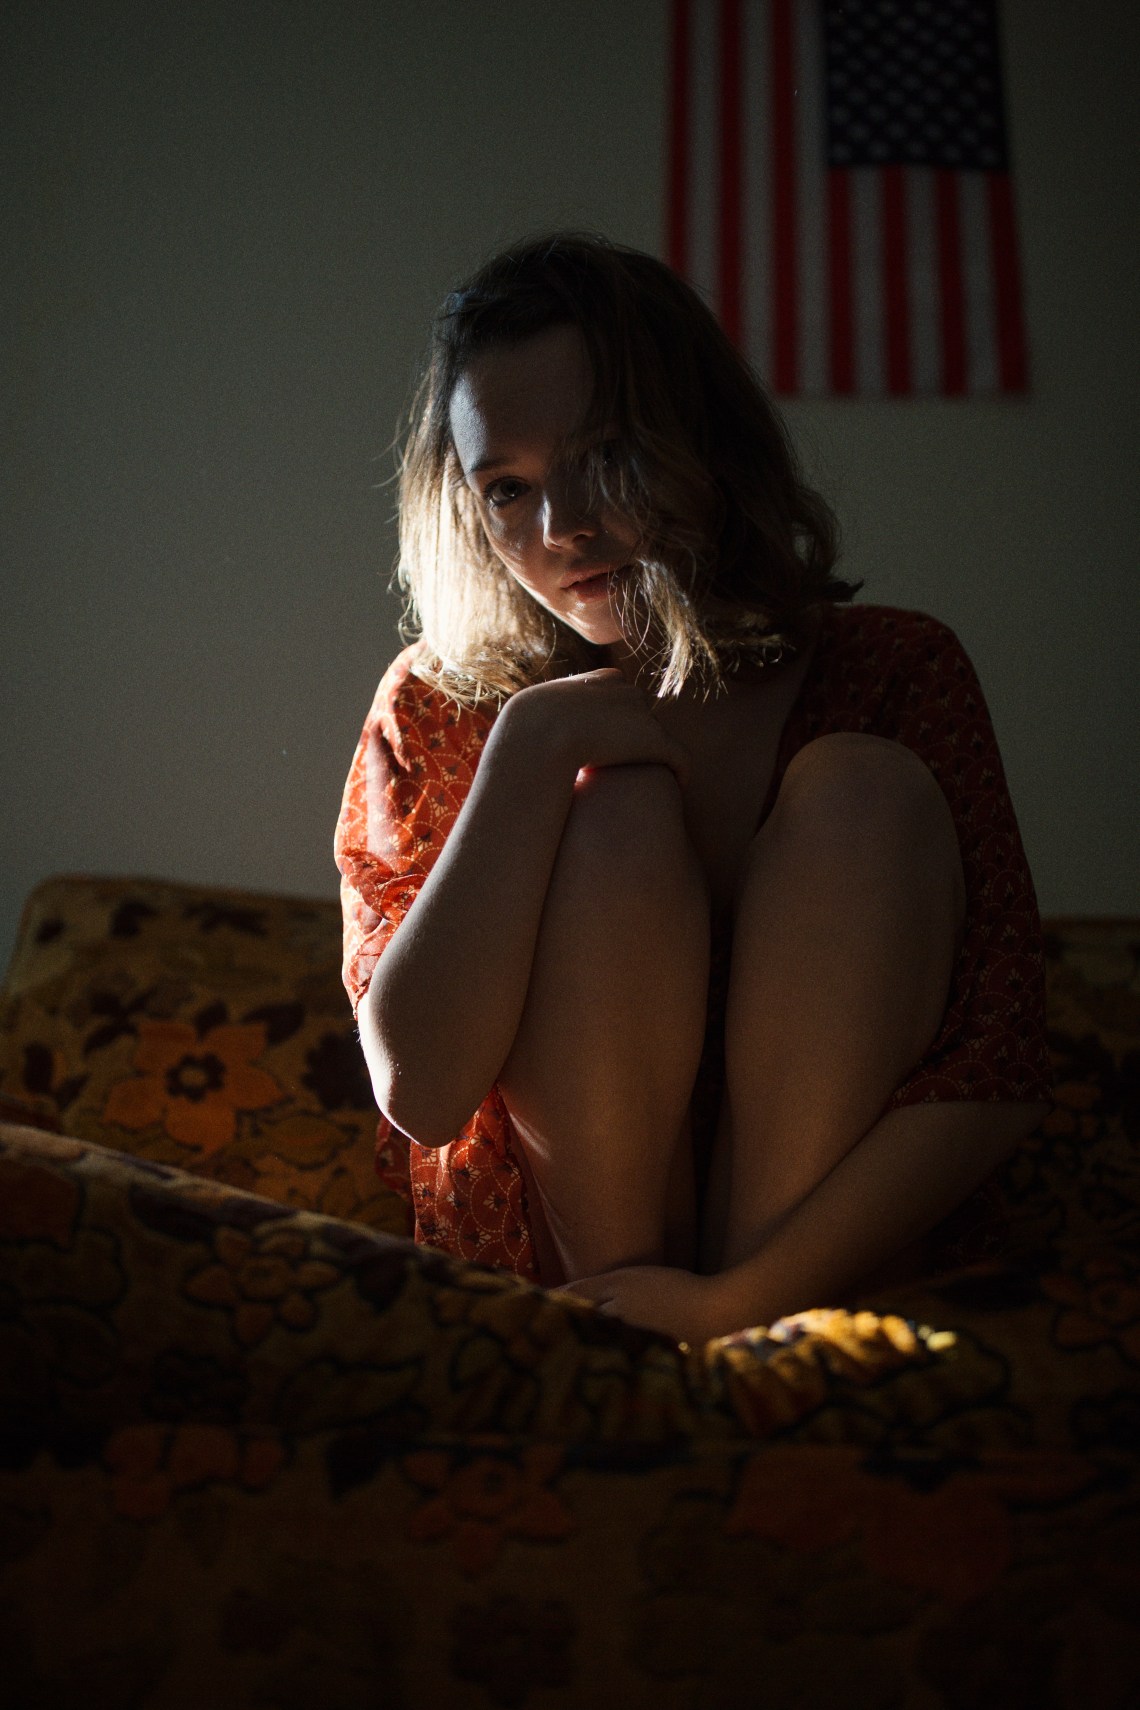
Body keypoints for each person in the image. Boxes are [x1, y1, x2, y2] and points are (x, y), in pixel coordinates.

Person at [335, 232, 1052, 1344]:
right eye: (508, 489)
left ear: (704, 442)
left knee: (863, 789)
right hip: (571, 1278)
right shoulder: (442, 706)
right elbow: (420, 1090)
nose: (561, 528)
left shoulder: (897, 672)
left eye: (606, 455)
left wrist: (739, 1304)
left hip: (806, 1277)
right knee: (607, 810)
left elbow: (998, 1065)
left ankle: (732, 1339)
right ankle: (618, 1336)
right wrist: (535, 740)